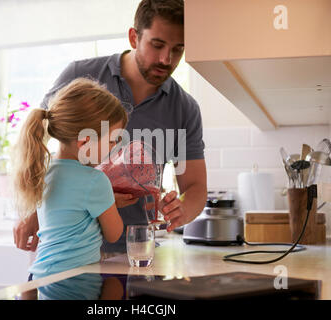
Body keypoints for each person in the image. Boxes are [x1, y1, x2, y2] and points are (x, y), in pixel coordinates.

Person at [14, 0, 207, 256]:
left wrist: (181, 208)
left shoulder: (184, 109)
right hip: (67, 250)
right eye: (157, 45)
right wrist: (32, 211)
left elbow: (195, 188)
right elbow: (37, 137)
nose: (166, 59)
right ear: (133, 37)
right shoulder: (80, 75)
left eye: (178, 49)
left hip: (137, 252)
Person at [12, 78, 128, 279]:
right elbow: (114, 233)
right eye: (111, 141)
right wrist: (110, 204)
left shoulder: (44, 171)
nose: (114, 148)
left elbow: (69, 211)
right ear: (85, 142)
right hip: (75, 281)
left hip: (41, 276)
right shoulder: (96, 180)